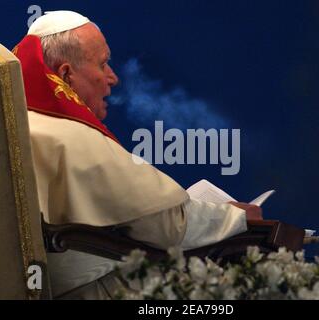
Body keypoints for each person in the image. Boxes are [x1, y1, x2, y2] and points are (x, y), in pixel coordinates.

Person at [14, 10, 262, 299]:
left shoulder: (18, 126)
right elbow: (167, 227)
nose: (114, 78)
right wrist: (236, 217)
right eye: (103, 64)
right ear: (66, 74)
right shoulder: (69, 138)